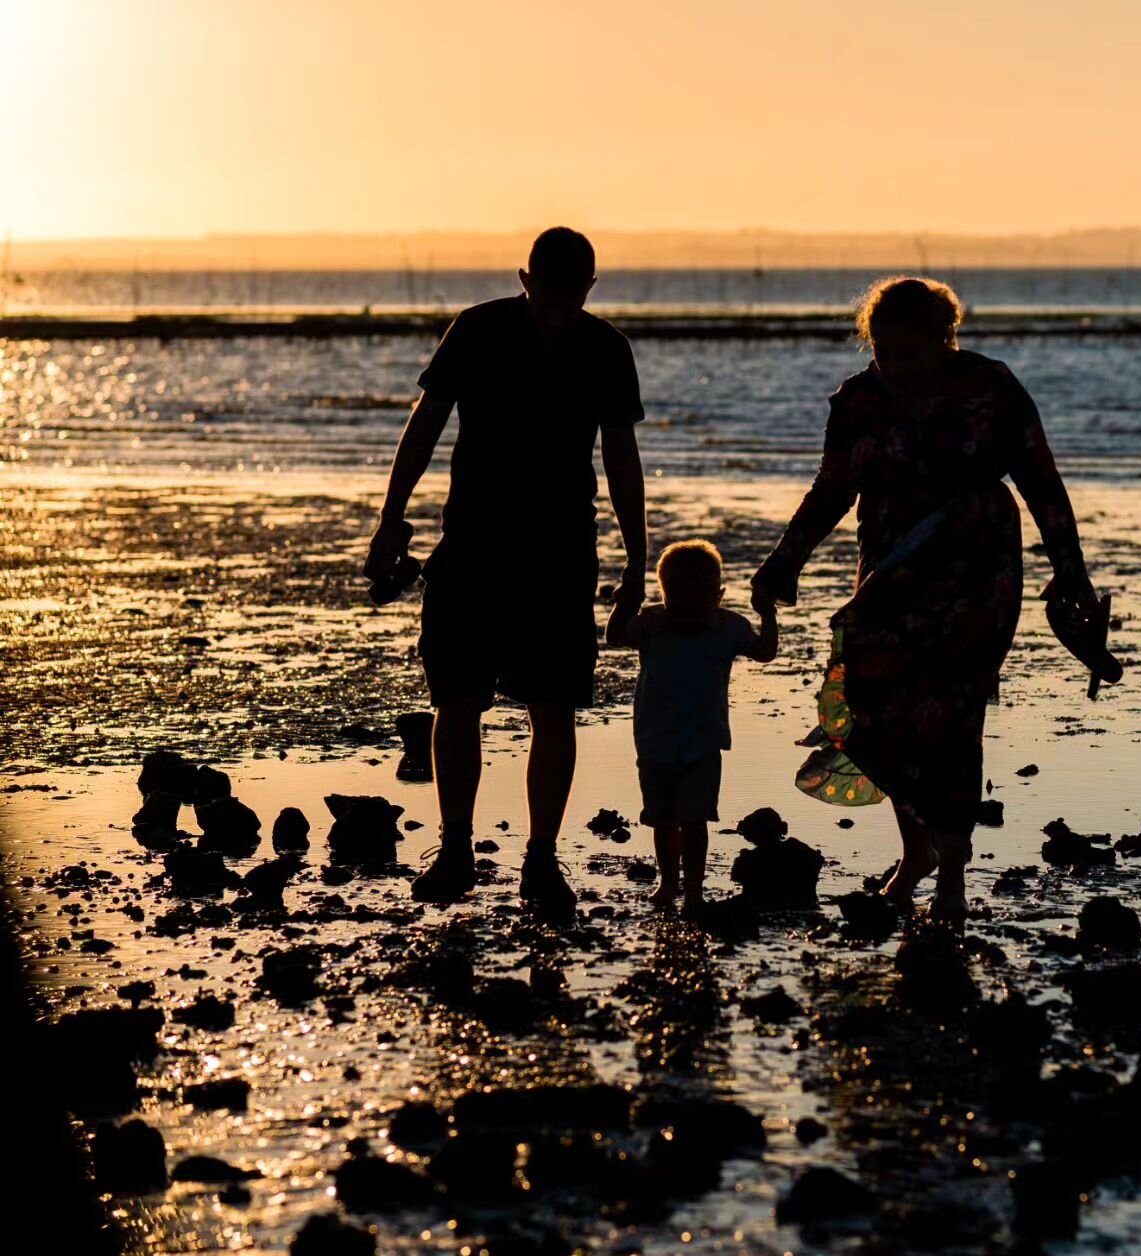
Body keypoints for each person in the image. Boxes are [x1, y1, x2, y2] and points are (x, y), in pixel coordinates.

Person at [750, 275, 1101, 925]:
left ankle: (953, 877)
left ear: (946, 340)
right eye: (882, 352)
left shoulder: (991, 389)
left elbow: (1042, 485)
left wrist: (1071, 572)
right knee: (868, 706)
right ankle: (918, 853)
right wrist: (784, 561)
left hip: (978, 571)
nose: (894, 367)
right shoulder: (857, 402)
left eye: (908, 353)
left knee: (952, 717)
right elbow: (831, 491)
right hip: (891, 570)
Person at [364, 227, 648, 913]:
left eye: (571, 296)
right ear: (526, 281)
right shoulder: (478, 330)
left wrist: (638, 561)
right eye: (548, 294)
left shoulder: (605, 349)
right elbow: (426, 423)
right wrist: (391, 518)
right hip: (471, 543)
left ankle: (541, 859)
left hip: (560, 552)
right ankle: (455, 848)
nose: (557, 309)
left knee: (553, 706)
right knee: (456, 698)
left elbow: (620, 458)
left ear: (588, 289)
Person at [607, 539, 778, 911]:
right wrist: (625, 603)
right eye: (677, 600)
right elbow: (616, 635)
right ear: (663, 594)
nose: (686, 611)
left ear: (718, 596)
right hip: (655, 740)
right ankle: (669, 883)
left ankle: (695, 890)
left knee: (695, 817)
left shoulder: (728, 626)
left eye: (696, 601)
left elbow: (764, 652)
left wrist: (768, 613)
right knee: (662, 818)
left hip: (704, 740)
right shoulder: (652, 622)